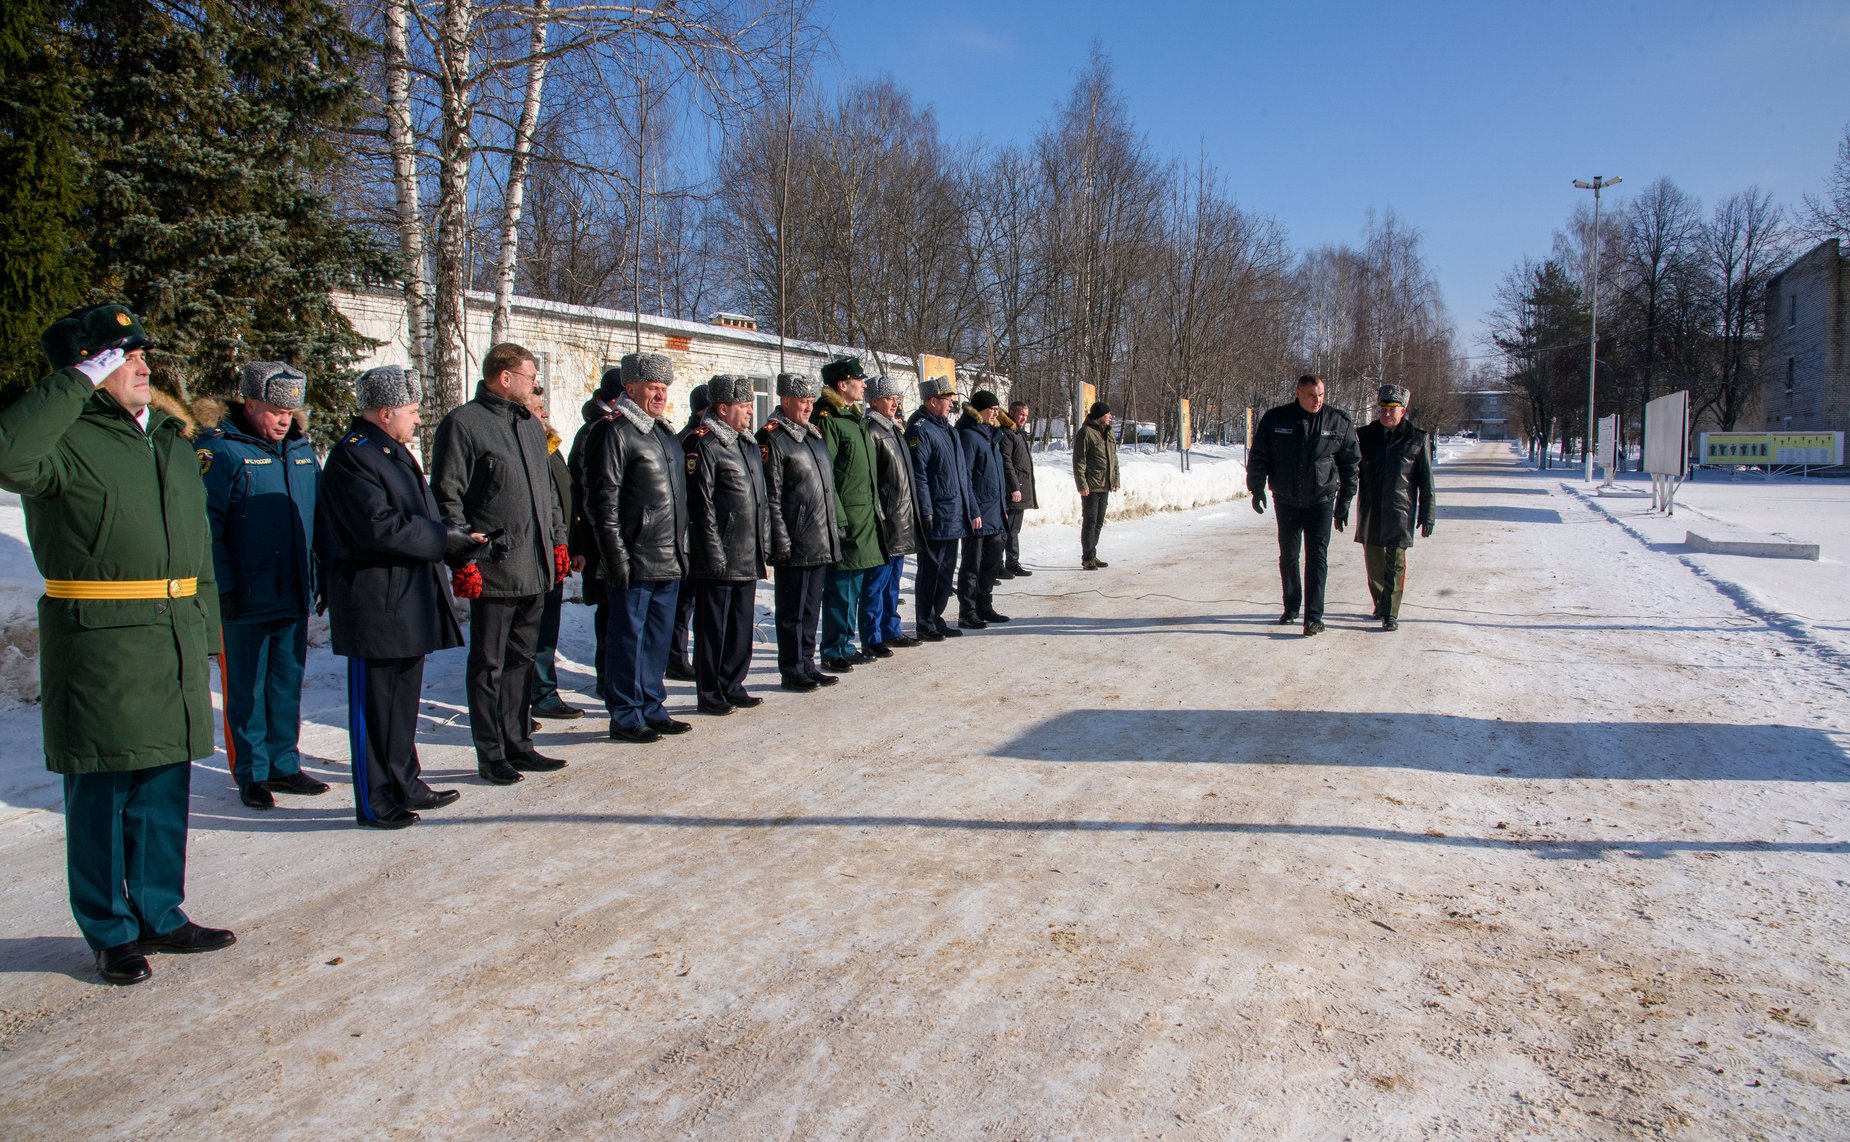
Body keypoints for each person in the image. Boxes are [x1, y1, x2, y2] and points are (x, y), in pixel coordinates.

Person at [0, 303, 234, 985]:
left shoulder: (167, 436)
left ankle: (161, 911)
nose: (142, 365)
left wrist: (213, 630)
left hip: (173, 634)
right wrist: (75, 383)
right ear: (85, 369)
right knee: (103, 788)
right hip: (100, 643)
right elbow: (6, 454)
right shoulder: (63, 438)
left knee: (164, 781)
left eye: (138, 355)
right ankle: (109, 929)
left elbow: (198, 548)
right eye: (120, 356)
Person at [316, 365, 474, 829]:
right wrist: (443, 537)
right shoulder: (353, 457)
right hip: (375, 601)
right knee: (376, 705)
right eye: (411, 411)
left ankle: (406, 781)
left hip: (405, 597)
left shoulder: (390, 452)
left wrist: (453, 536)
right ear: (385, 413)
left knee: (402, 701)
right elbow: (378, 527)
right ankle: (376, 799)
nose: (418, 419)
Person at [430, 341, 569, 783]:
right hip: (493, 565)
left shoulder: (529, 424)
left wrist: (558, 542)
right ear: (505, 377)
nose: (535, 385)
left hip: (535, 563)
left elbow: (547, 494)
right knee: (488, 664)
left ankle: (518, 742)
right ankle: (490, 753)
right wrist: (461, 556)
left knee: (521, 660)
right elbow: (446, 495)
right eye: (530, 377)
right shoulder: (464, 424)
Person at [195, 362, 328, 810]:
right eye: (275, 409)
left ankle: (284, 764)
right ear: (250, 404)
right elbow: (206, 527)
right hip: (245, 594)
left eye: (290, 410)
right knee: (247, 688)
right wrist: (223, 586)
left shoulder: (302, 451)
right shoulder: (222, 452)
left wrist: (322, 573)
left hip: (293, 588)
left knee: (287, 682)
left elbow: (318, 519)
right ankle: (251, 772)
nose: (285, 418)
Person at [581, 351, 691, 744]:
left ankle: (652, 705)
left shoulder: (664, 434)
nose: (660, 395)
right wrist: (615, 557)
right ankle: (626, 714)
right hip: (634, 556)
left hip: (668, 555)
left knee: (658, 639)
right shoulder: (613, 432)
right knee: (628, 639)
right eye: (652, 388)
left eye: (664, 388)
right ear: (630, 388)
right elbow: (601, 503)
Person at [1247, 374, 1360, 637]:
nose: (1317, 401)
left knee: (1317, 557)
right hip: (1286, 499)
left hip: (1321, 500)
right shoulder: (1276, 419)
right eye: (1311, 395)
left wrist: (1345, 500)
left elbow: (1350, 464)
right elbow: (1260, 455)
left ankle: (1313, 617)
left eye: (1321, 395)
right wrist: (1256, 488)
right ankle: (1291, 606)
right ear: (1298, 392)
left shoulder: (1337, 422)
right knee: (1289, 555)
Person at [681, 375, 769, 714]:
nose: (750, 411)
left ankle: (733, 682)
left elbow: (759, 499)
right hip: (718, 553)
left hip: (747, 550)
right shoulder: (704, 444)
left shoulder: (746, 443)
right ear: (722, 408)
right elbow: (701, 506)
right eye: (744, 406)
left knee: (740, 623)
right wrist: (712, 551)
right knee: (713, 627)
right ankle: (710, 690)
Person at [758, 372, 842, 690]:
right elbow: (771, 496)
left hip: (818, 535)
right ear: (786, 401)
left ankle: (807, 662)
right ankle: (792, 667)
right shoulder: (772, 438)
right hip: (794, 538)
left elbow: (825, 489)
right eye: (802, 402)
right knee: (792, 611)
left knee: (810, 607)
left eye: (810, 401)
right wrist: (779, 539)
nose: (808, 407)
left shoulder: (813, 435)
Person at [814, 356, 886, 673]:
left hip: (865, 516)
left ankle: (846, 643)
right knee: (841, 588)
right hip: (847, 519)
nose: (865, 384)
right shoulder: (829, 419)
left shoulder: (854, 418)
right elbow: (826, 475)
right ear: (843, 384)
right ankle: (832, 649)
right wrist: (839, 518)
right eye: (859, 379)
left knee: (855, 585)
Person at [1354, 384, 1436, 632]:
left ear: (1403, 411)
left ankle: (1391, 612)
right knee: (1374, 561)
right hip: (1371, 508)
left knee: (1396, 562)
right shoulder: (1365, 436)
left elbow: (1426, 481)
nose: (1386, 414)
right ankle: (1380, 602)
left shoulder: (1417, 439)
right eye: (1383, 409)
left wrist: (1427, 513)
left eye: (1392, 410)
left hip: (1400, 509)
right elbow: (1351, 470)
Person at [526, 385, 584, 721]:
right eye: (537, 408)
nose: (544, 413)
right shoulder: (529, 449)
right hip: (530, 556)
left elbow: (566, 502)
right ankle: (526, 697)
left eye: (543, 407)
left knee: (547, 628)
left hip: (556, 552)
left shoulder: (551, 448)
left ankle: (543, 691)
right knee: (527, 634)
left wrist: (573, 545)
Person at [904, 375, 977, 641]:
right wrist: (926, 511)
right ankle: (925, 621)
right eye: (946, 400)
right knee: (931, 570)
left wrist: (972, 509)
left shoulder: (949, 430)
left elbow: (962, 475)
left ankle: (937, 617)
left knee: (946, 571)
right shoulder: (920, 430)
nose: (950, 405)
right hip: (936, 512)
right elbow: (919, 475)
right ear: (932, 401)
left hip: (954, 512)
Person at [568, 368, 621, 697]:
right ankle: (606, 676)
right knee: (609, 610)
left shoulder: (605, 428)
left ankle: (612, 674)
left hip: (608, 535)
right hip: (600, 536)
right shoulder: (596, 432)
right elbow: (589, 492)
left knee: (614, 610)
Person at [861, 375, 920, 654]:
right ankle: (872, 636)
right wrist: (880, 515)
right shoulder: (871, 430)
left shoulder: (895, 429)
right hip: (885, 519)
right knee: (876, 583)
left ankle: (891, 628)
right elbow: (872, 480)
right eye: (889, 398)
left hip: (901, 518)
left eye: (897, 398)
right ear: (873, 401)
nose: (895, 403)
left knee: (893, 582)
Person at [667, 382, 711, 682]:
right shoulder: (690, 440)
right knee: (683, 603)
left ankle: (684, 656)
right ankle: (676, 658)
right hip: (689, 533)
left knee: (693, 602)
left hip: (698, 534)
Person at [956, 390, 1010, 629]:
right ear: (979, 411)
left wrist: (1002, 507)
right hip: (978, 515)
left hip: (995, 512)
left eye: (998, 409)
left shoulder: (991, 436)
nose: (996, 413)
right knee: (972, 566)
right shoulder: (969, 435)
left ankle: (984, 605)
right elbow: (965, 477)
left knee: (991, 563)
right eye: (992, 409)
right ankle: (967, 611)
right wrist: (973, 510)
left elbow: (996, 477)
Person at [1073, 400, 1120, 570]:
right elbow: (1079, 461)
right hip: (1091, 486)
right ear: (1100, 415)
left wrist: (1116, 480)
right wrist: (1082, 484)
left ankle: (1092, 553)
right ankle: (1087, 558)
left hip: (1105, 484)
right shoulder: (1085, 433)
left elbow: (1114, 459)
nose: (1110, 417)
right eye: (1108, 414)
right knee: (1090, 521)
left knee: (1099, 522)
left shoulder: (1109, 432)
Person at [997, 399, 1038, 578]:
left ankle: (1012, 562)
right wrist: (1014, 487)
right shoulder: (1007, 433)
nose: (1023, 418)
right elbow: (1006, 462)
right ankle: (999, 565)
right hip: (1013, 490)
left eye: (1026, 416)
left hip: (1021, 487)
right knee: (1007, 530)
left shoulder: (1018, 433)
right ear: (1012, 412)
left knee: (1014, 529)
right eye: (1021, 414)